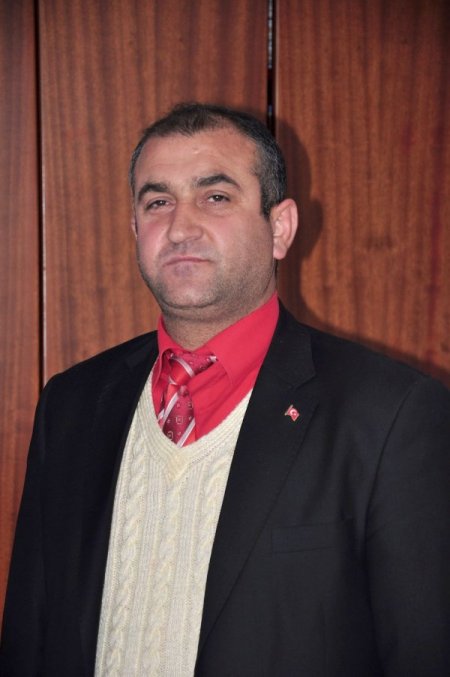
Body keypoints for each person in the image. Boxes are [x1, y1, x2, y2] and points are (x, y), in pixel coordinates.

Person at [1, 103, 449, 677]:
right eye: (158, 202)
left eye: (215, 197)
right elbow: (29, 640)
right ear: (136, 230)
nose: (180, 227)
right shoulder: (69, 406)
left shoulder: (391, 415)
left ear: (280, 228)